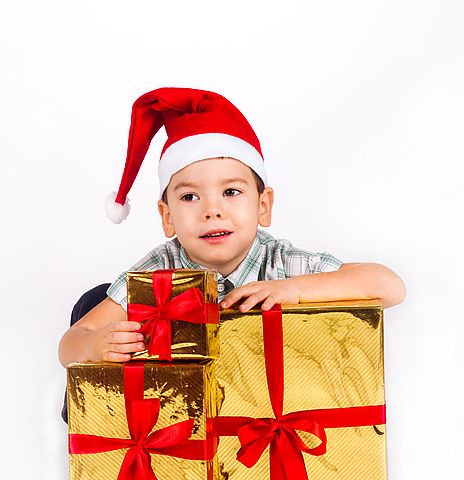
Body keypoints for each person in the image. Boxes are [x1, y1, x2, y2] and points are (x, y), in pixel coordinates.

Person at [58, 87, 405, 420]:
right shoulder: (158, 269)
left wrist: (295, 290)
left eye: (231, 191)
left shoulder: (283, 265)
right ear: (167, 217)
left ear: (263, 206)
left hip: (268, 420)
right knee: (91, 301)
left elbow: (389, 287)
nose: (212, 210)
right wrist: (96, 346)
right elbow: (71, 344)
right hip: (184, 424)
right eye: (190, 197)